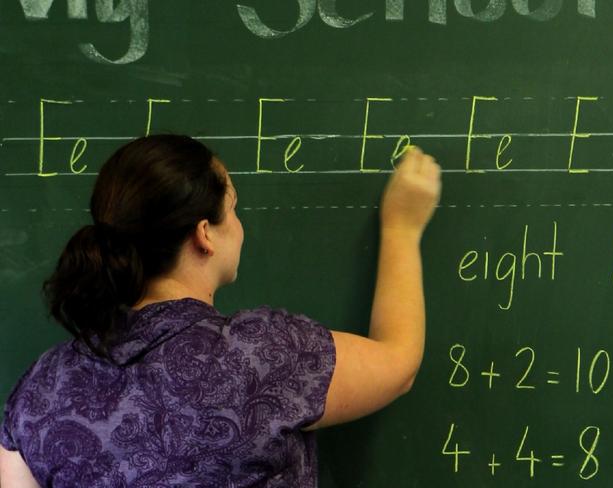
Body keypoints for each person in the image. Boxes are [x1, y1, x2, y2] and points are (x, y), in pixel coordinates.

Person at [0, 135, 441, 487]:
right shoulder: (262, 358)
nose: (240, 225)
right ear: (204, 234)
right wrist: (402, 226)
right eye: (233, 209)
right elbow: (398, 363)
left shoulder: (42, 389)